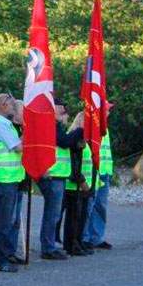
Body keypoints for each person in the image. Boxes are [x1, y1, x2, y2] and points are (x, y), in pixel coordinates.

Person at [38, 98, 83, 260]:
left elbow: (67, 143)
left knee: (54, 213)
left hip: (59, 175)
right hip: (52, 175)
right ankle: (48, 248)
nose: (64, 110)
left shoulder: (56, 126)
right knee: (52, 213)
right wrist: (80, 130)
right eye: (61, 108)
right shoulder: (49, 124)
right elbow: (64, 142)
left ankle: (49, 245)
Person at [0, 93, 24, 272]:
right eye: (11, 104)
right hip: (3, 180)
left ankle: (4, 255)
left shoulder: (4, 124)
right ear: (2, 105)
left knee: (6, 221)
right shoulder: (0, 124)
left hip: (10, 179)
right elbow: (18, 147)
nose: (14, 107)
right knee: (2, 222)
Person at [82, 102, 114, 251]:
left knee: (100, 206)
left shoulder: (104, 128)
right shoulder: (91, 127)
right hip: (93, 172)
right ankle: (85, 237)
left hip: (104, 172)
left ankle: (97, 237)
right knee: (89, 206)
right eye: (106, 110)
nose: (108, 112)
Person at [63, 112, 94, 256]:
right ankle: (71, 244)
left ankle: (78, 241)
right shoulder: (74, 138)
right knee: (74, 216)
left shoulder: (85, 139)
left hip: (83, 184)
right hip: (74, 185)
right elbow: (75, 163)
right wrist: (81, 181)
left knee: (81, 216)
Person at [8, 100, 28, 264]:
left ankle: (12, 250)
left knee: (16, 220)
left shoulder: (21, 128)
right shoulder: (10, 128)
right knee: (9, 218)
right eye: (23, 112)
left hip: (20, 178)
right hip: (8, 179)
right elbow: (17, 147)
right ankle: (6, 251)